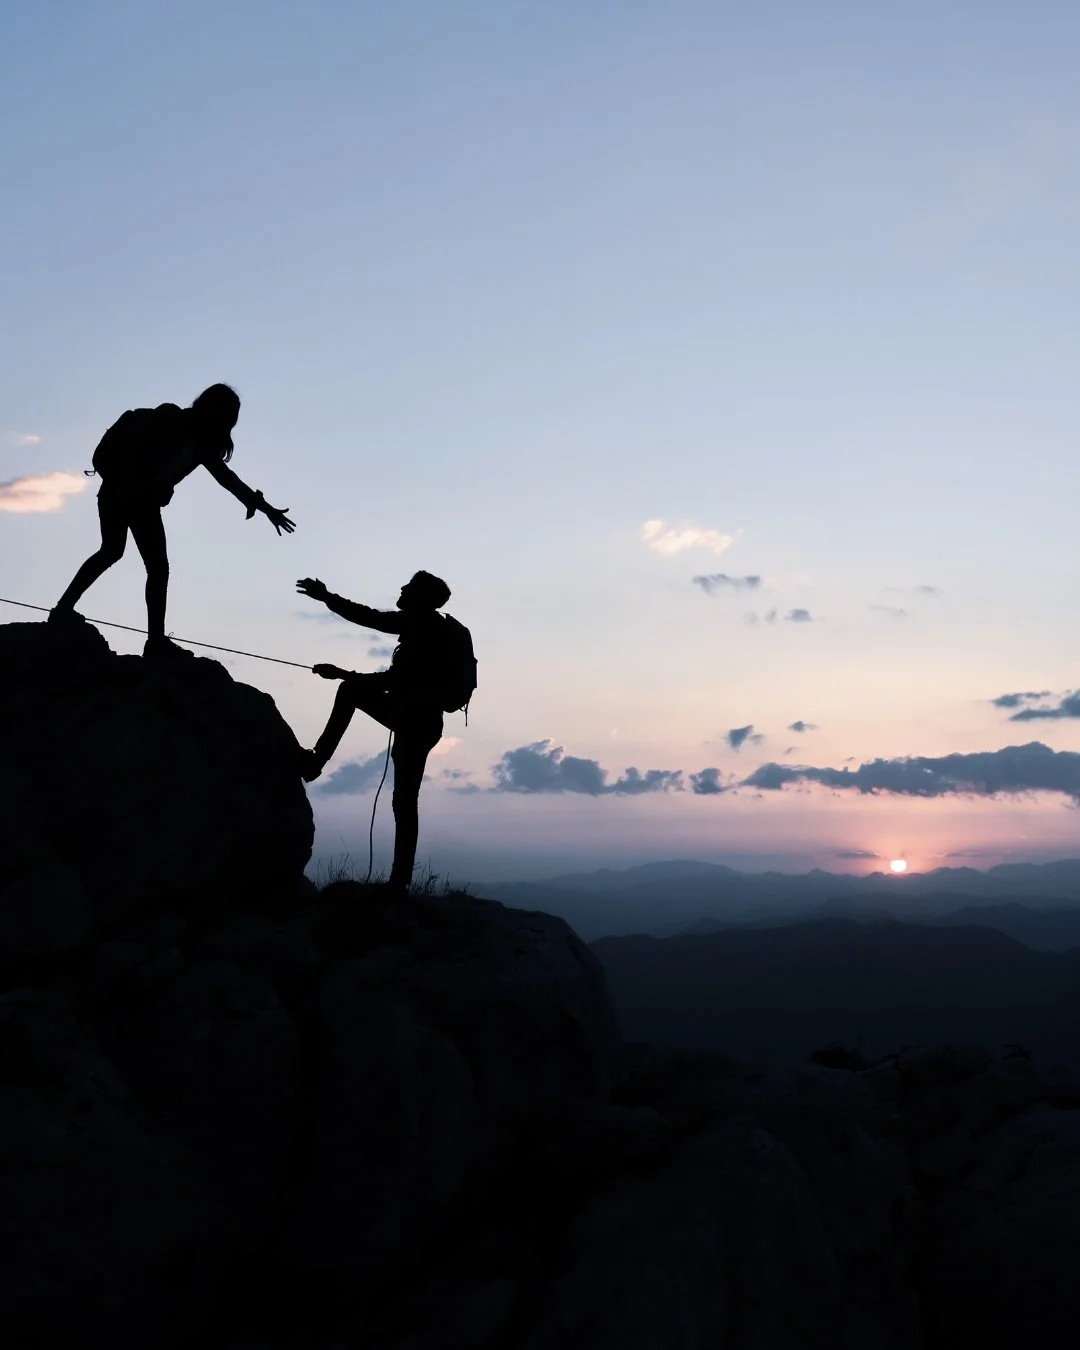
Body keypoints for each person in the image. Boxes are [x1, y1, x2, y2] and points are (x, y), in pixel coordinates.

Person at [50, 384, 294, 657]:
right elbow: (225, 479)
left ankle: (66, 611)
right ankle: (152, 640)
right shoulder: (174, 422)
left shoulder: (198, 441)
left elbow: (227, 479)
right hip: (131, 497)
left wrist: (263, 507)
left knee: (116, 553)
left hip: (122, 495)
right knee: (149, 565)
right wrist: (263, 507)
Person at [296, 570, 469, 895]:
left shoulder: (421, 626)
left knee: (404, 801)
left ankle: (317, 762)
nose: (402, 589)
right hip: (419, 721)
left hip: (415, 722)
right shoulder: (428, 629)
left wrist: (327, 598)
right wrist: (346, 674)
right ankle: (400, 880)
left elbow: (370, 621)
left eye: (409, 587)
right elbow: (396, 678)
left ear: (420, 597)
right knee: (405, 801)